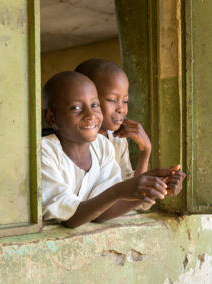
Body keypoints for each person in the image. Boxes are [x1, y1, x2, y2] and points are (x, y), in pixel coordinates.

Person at [41, 71, 185, 228]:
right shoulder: (44, 152)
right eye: (76, 107)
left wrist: (153, 189)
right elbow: (70, 219)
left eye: (94, 105)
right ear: (51, 118)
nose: (90, 114)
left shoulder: (102, 146)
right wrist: (119, 191)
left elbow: (101, 212)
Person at [75, 59, 185, 195]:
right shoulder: (74, 144)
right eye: (111, 99)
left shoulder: (117, 140)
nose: (121, 109)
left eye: (125, 101)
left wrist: (146, 151)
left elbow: (133, 193)